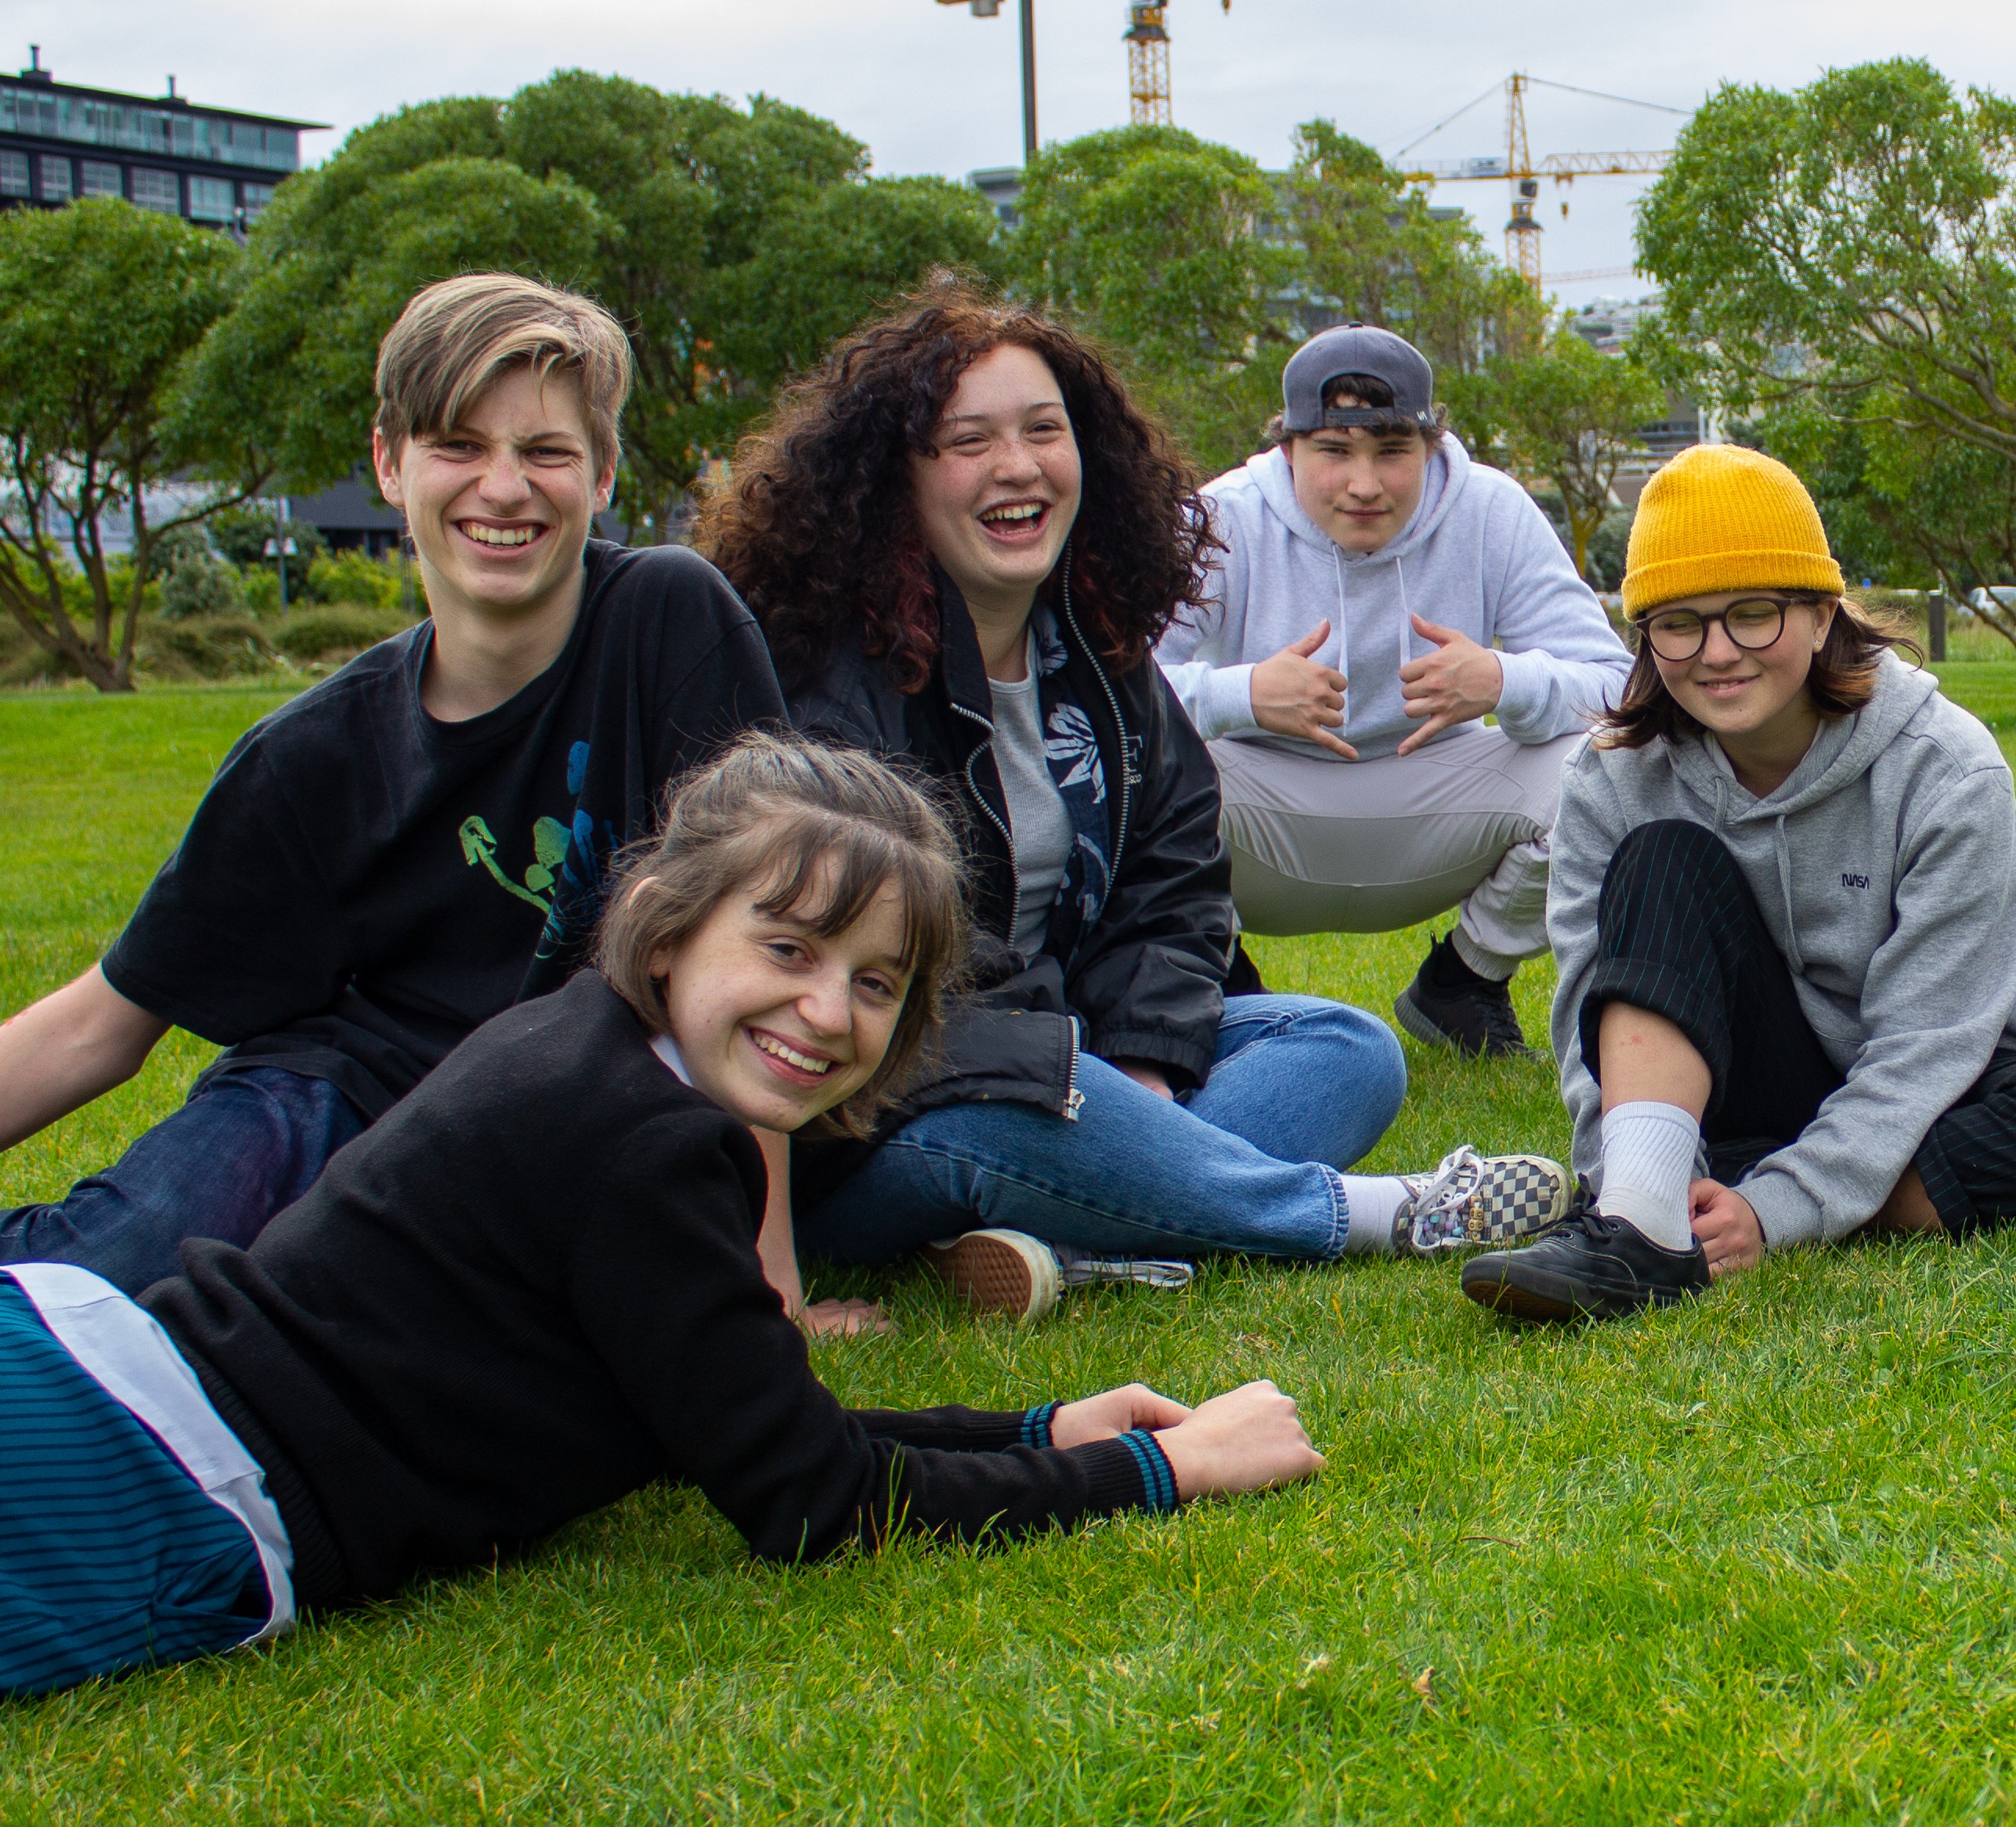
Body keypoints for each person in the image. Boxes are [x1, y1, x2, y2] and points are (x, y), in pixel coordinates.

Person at [0, 732, 1325, 1700]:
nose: (827, 1013)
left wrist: (1039, 1424)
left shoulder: (597, 1058)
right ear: (667, 926)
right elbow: (813, 1501)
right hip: (137, 1479)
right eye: (789, 950)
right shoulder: (641, 1141)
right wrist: (1161, 1470)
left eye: (876, 982)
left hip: (94, 1378)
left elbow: (741, 1419)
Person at [695, 287, 1563, 1322]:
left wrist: (1145, 1067)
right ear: (898, 478)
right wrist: (1074, 1077)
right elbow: (883, 959)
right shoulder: (837, 676)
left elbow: (1175, 882)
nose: (1016, 467)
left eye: (1043, 431)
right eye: (967, 441)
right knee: (1031, 1114)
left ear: (1087, 458)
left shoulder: (1098, 654)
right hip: (880, 1103)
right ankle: (1378, 1214)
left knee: (1345, 1048)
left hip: (1075, 1059)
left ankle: (1055, 1235)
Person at [0, 274, 786, 1302]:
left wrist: (768, 1277)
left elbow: (769, 938)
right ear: (388, 462)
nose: (503, 488)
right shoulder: (310, 756)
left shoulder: (667, 621)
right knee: (115, 1277)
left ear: (600, 479)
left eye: (545, 451)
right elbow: (101, 1025)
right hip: (333, 1101)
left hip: (563, 1139)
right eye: (458, 445)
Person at [1458, 445, 2016, 1322]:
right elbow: (1589, 1015)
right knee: (1663, 860)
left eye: (1753, 615)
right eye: (1678, 623)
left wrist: (1777, 1207)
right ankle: (1641, 1222)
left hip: (1943, 1079)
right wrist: (1612, 1168)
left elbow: (1929, 1043)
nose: (1717, 654)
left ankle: (1736, 1185)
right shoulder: (1614, 777)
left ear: (1824, 615)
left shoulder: (1947, 767)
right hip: (1746, 1068)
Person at [1153, 326, 1631, 1056]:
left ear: (1432, 445)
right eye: (1335, 451)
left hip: (1436, 802)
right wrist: (1242, 695)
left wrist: (1503, 680)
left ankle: (1466, 980)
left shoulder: (1490, 508)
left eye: (1392, 452)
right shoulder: (1221, 516)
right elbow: (1109, 689)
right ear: (1288, 449)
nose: (1365, 484)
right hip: (1260, 811)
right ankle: (1226, 985)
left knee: (1616, 760)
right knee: (1133, 766)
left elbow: (1618, 686)